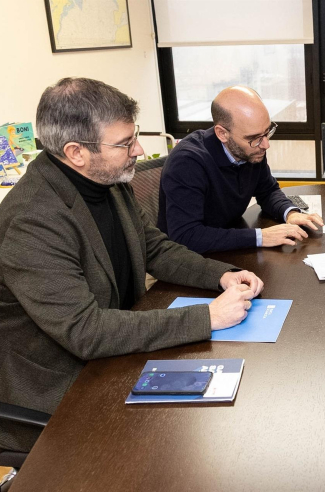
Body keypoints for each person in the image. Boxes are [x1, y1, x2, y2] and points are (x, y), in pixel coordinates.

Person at [0, 78, 264, 453]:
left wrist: (220, 274)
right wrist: (207, 317)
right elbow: (85, 331)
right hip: (62, 385)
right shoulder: (32, 222)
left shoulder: (108, 180)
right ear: (76, 152)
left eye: (134, 137)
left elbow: (155, 248)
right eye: (125, 143)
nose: (138, 150)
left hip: (120, 350)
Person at [157, 86, 323, 254]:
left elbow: (267, 190)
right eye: (254, 138)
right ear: (222, 134)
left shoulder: (252, 150)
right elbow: (186, 236)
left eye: (267, 132)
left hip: (230, 243)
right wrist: (260, 236)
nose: (266, 144)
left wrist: (290, 213)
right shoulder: (187, 163)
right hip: (188, 258)